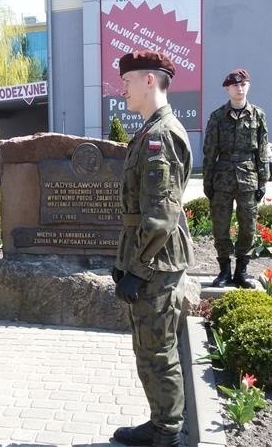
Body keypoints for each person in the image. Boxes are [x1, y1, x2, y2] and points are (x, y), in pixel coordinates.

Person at [110, 50, 195, 447]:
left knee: (157, 351)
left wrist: (137, 270)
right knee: (150, 347)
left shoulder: (160, 135)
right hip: (149, 258)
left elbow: (160, 216)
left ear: (149, 80)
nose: (121, 88)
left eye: (126, 81)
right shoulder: (149, 131)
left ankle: (167, 433)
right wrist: (124, 262)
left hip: (156, 264)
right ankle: (161, 424)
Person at [202, 68, 269, 289]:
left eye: (243, 85)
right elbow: (210, 151)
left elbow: (261, 149)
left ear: (248, 86)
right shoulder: (217, 117)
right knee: (220, 226)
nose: (239, 89)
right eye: (235, 86)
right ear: (227, 89)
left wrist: (263, 180)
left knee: (248, 226)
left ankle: (241, 271)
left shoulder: (258, 115)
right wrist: (207, 181)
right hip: (222, 178)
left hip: (248, 177)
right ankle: (224, 271)